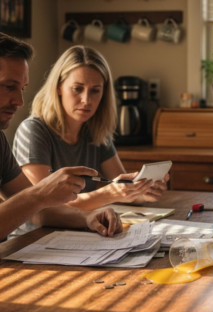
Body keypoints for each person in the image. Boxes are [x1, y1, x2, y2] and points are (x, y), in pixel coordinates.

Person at [13, 45, 169, 214]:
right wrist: (109, 193)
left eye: (95, 91)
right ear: (58, 87)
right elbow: (46, 206)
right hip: (37, 236)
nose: (86, 100)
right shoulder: (32, 131)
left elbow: (124, 192)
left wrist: (142, 192)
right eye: (77, 89)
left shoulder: (96, 131)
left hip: (81, 230)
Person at [0, 32, 122, 240]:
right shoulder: (34, 129)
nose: (20, 101)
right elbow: (35, 201)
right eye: (9, 87)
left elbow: (38, 211)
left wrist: (87, 217)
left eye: (22, 89)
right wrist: (40, 195)